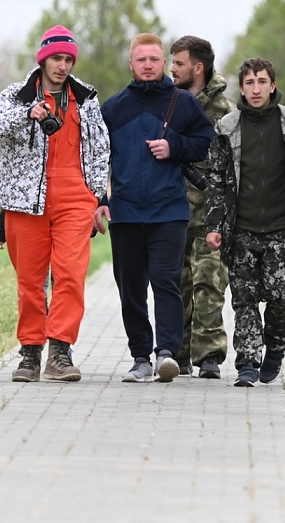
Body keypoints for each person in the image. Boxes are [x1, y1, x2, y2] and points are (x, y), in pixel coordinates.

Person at [0, 25, 110, 383]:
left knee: (70, 275)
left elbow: (100, 149)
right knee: (31, 280)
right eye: (57, 58)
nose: (63, 65)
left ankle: (59, 352)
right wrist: (28, 114)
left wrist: (98, 196)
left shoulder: (86, 97)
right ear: (43, 58)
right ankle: (29, 353)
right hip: (25, 203)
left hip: (74, 198)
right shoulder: (17, 94)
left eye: (69, 59)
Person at [94, 33, 214, 383]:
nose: (148, 65)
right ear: (131, 64)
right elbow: (97, 160)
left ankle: (166, 354)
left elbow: (205, 142)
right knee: (130, 287)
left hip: (169, 211)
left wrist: (173, 146)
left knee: (165, 282)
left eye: (154, 59)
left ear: (164, 64)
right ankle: (140, 357)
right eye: (141, 59)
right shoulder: (113, 108)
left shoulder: (183, 103)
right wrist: (101, 200)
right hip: (126, 212)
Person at [205, 57, 285, 387]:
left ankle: (277, 347)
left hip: (280, 227)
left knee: (279, 295)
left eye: (262, 82)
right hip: (240, 227)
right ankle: (247, 363)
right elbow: (216, 180)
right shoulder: (227, 127)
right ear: (241, 87)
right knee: (244, 298)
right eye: (249, 83)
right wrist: (215, 225)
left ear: (273, 85)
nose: (256, 89)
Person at [169, 35, 235, 379]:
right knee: (176, 282)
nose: (171, 69)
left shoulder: (224, 111)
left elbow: (234, 165)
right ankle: (177, 354)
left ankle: (209, 356)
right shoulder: (169, 102)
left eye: (178, 63)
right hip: (170, 211)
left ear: (198, 67)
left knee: (209, 281)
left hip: (210, 213)